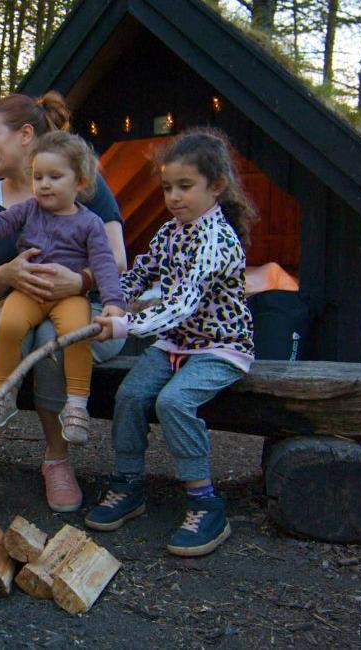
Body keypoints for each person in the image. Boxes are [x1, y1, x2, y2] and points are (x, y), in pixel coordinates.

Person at [0, 92, 128, 539]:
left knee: (49, 340)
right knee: (7, 332)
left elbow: (118, 258)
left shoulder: (82, 182)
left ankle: (56, 459)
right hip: (8, 304)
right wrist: (11, 272)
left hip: (86, 303)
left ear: (25, 135)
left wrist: (77, 282)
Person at [86, 127, 257, 558]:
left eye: (185, 187)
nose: (174, 197)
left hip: (219, 346)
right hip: (176, 342)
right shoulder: (172, 230)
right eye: (167, 188)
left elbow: (180, 304)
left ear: (215, 186)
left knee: (174, 403)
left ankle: (205, 501)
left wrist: (124, 326)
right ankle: (128, 484)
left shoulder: (216, 240)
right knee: (130, 395)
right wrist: (113, 300)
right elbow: (143, 271)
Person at [0, 131, 125, 443]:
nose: (44, 184)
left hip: (70, 296)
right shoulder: (29, 209)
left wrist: (113, 303)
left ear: (79, 182)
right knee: (8, 328)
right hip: (30, 293)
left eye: (55, 177)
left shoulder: (90, 222)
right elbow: (5, 221)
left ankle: (77, 405)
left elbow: (105, 264)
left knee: (76, 336)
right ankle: (2, 394)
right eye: (38, 177)